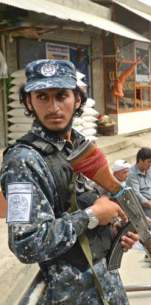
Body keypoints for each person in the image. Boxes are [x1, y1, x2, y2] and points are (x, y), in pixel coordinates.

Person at [0, 59, 138, 304]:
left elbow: (80, 207)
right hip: (67, 294)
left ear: (78, 99)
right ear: (28, 102)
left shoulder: (81, 147)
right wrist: (92, 215)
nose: (53, 107)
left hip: (106, 285)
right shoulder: (23, 161)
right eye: (42, 96)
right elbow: (27, 244)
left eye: (61, 95)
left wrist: (113, 232)